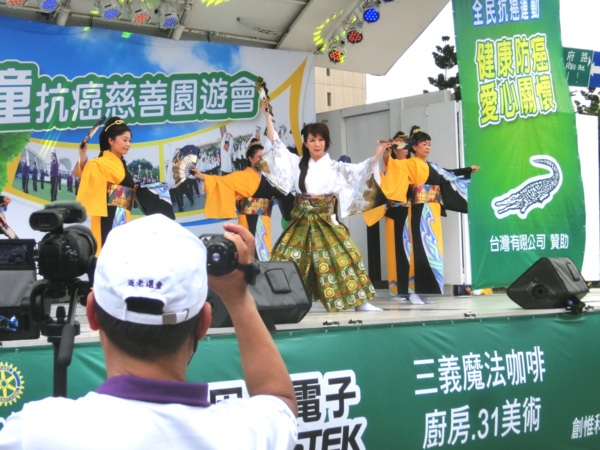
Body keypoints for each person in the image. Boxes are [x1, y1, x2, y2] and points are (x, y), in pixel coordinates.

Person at [0, 214, 298, 449]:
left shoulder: (34, 433)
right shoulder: (244, 434)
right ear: (204, 323)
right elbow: (279, 400)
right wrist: (239, 300)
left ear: (92, 314)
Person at [260, 101, 387, 312]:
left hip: (325, 220)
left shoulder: (335, 167)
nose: (317, 144)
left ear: (326, 142)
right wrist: (268, 117)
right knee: (286, 257)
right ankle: (283, 302)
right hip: (301, 220)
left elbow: (359, 171)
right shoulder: (296, 163)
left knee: (346, 256)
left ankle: (360, 302)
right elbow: (276, 144)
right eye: (312, 140)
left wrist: (376, 157)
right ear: (306, 143)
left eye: (320, 139)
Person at [380, 126, 480, 305]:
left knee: (433, 250)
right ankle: (414, 292)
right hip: (419, 210)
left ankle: (424, 291)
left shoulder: (431, 166)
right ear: (414, 147)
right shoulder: (410, 163)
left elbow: (448, 175)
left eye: (429, 144)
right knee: (419, 249)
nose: (427, 147)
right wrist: (387, 154)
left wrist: (466, 170)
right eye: (423, 144)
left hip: (432, 211)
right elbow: (393, 166)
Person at [191, 138, 292, 261]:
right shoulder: (240, 176)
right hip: (247, 220)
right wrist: (202, 176)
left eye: (264, 157)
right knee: (249, 253)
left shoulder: (268, 177)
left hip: (264, 221)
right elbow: (220, 181)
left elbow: (282, 191)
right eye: (259, 157)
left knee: (264, 253)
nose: (262, 160)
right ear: (250, 158)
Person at [75, 117, 137, 256]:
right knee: (107, 254)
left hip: (121, 214)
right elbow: (85, 173)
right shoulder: (100, 163)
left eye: (129, 140)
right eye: (124, 140)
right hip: (108, 216)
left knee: (119, 255)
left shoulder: (120, 163)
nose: (128, 144)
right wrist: (82, 155)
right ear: (110, 140)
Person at [364, 131, 411, 302]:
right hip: (395, 210)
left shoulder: (411, 163)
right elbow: (385, 160)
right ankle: (398, 290)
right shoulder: (392, 162)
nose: (405, 149)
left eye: (407, 146)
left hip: (409, 210)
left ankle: (410, 289)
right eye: (401, 146)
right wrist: (385, 150)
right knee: (396, 251)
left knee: (408, 251)